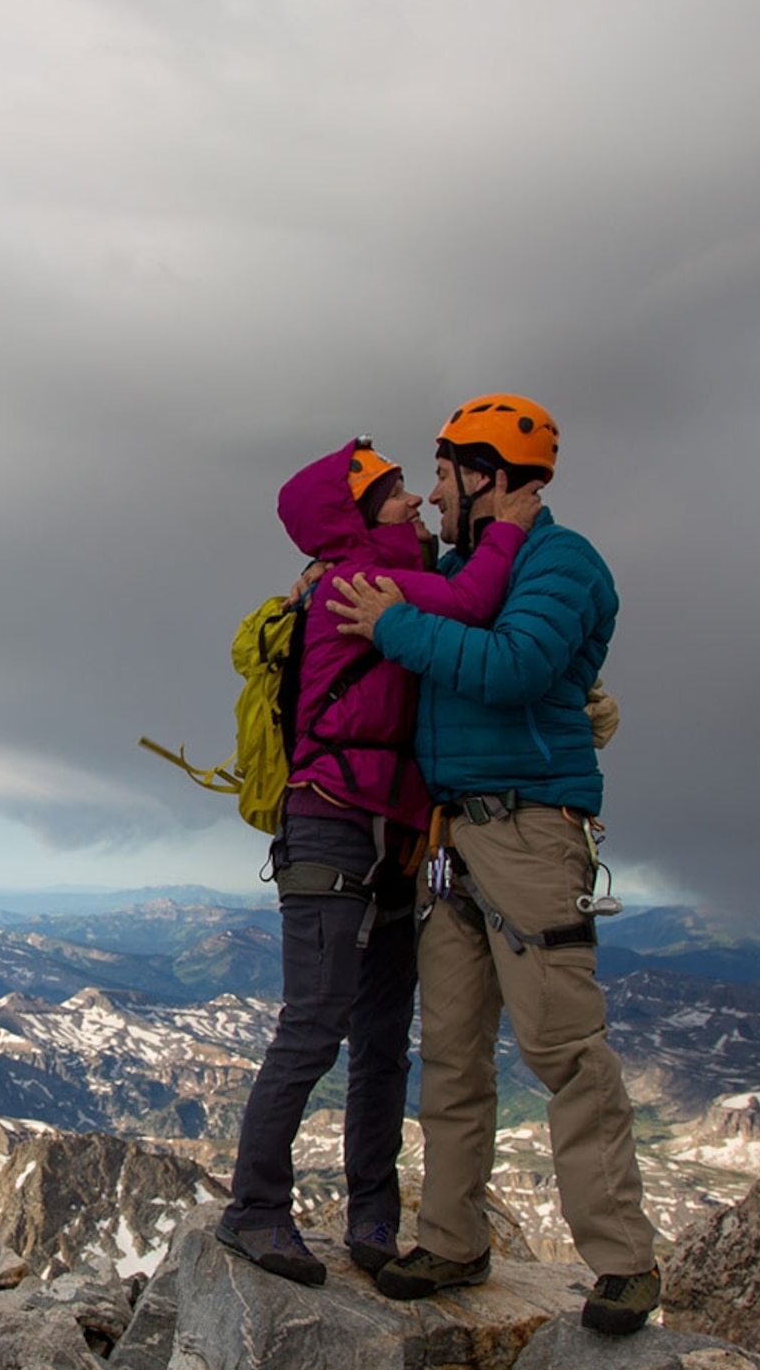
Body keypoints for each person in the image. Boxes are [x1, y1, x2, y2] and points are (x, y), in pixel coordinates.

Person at [325, 393, 662, 1334]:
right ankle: (452, 1239)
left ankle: (623, 1262)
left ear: (491, 476)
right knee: (457, 1051)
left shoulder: (564, 560)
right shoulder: (470, 567)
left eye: (442, 476)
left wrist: (394, 626)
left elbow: (515, 666)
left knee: (561, 1045)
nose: (431, 498)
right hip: (452, 836)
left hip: (530, 831)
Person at [213, 438, 544, 1287]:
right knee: (317, 1023)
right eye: (392, 491)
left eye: (407, 487)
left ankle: (372, 1215)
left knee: (383, 1039)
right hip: (330, 824)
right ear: (355, 515)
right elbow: (473, 601)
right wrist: (509, 525)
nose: (409, 501)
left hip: (393, 831)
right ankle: (254, 1210)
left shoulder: (377, 575)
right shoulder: (360, 584)